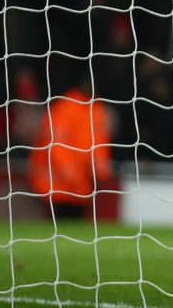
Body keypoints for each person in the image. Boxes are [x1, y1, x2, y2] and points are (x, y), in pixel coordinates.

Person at [28, 84, 112, 220]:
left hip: (79, 182)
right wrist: (70, 171)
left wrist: (100, 168)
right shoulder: (65, 107)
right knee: (57, 222)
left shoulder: (96, 109)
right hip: (56, 181)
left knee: (74, 222)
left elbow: (99, 141)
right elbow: (55, 143)